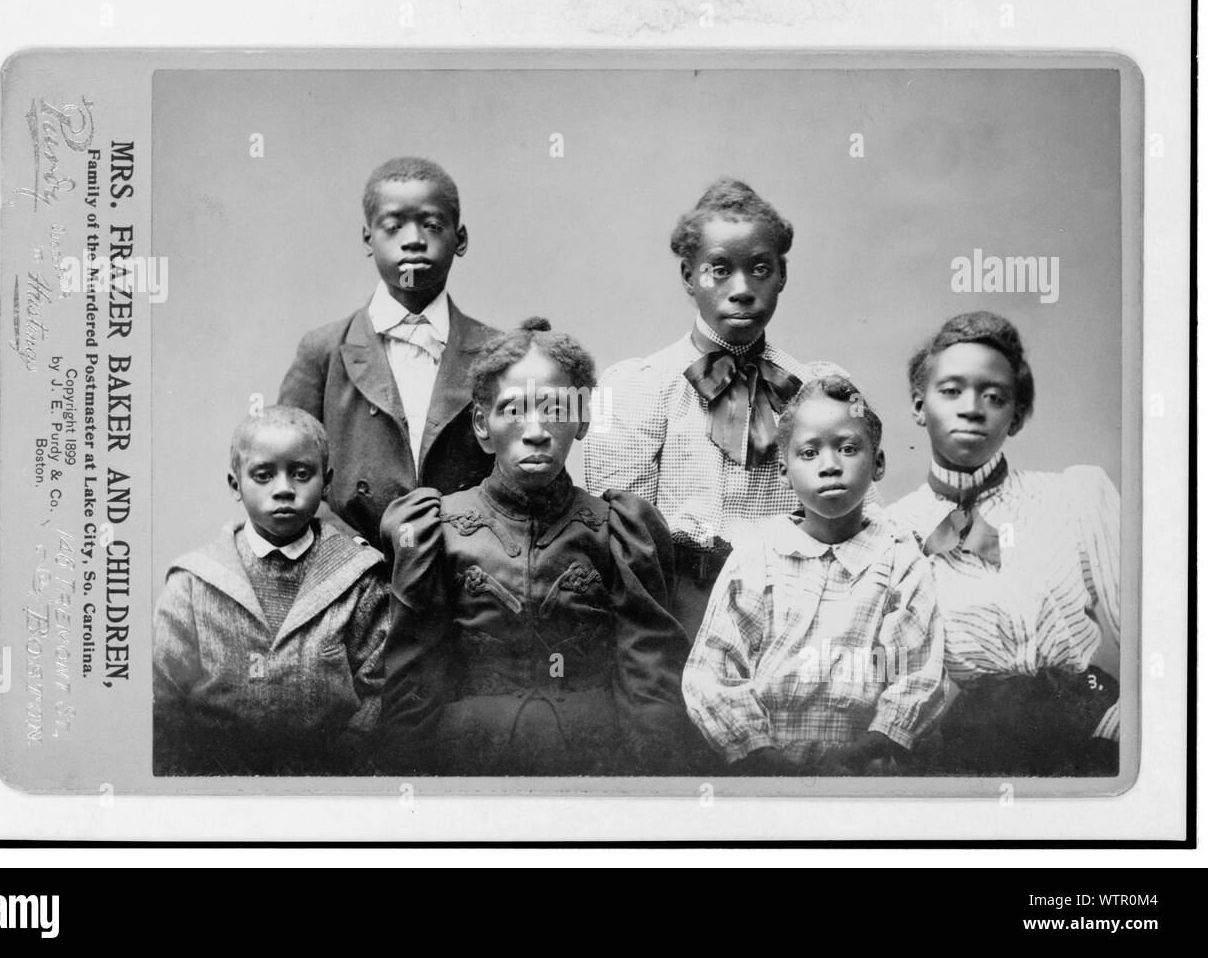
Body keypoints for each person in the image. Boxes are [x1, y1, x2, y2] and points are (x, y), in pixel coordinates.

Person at [379, 318, 695, 775]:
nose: (536, 430)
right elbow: (414, 679)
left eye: (555, 408)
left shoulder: (619, 530)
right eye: (513, 410)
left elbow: (649, 683)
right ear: (481, 424)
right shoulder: (435, 527)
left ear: (583, 420)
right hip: (469, 765)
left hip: (593, 765)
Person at [584, 176, 861, 641]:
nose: (742, 288)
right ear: (689, 277)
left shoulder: (815, 391)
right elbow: (624, 534)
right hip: (677, 609)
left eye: (759, 269)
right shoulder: (641, 388)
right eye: (719, 270)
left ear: (782, 276)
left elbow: (857, 514)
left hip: (798, 606)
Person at [888, 311, 1120, 776]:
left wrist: (1123, 729)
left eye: (994, 396)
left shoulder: (1073, 497)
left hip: (1095, 722)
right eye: (951, 391)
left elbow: (1157, 633)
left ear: (1015, 417)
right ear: (919, 406)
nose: (972, 407)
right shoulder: (895, 532)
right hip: (981, 743)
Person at [683, 376, 945, 775]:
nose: (830, 466)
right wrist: (764, 758)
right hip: (763, 766)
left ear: (878, 464)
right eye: (809, 453)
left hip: (867, 767)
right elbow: (713, 672)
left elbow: (918, 674)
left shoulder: (900, 560)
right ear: (785, 471)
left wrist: (860, 754)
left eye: (848, 448)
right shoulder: (757, 555)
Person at [152, 406, 391, 775]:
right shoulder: (192, 583)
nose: (283, 489)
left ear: (326, 482)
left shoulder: (359, 576)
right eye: (263, 475)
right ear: (236, 484)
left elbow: (379, 691)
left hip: (330, 781)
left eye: (301, 474)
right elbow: (164, 704)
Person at [279, 156, 500, 549]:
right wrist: (351, 554)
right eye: (394, 226)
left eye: (431, 225)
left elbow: (522, 472)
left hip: (468, 577)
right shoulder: (323, 351)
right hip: (351, 577)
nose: (413, 238)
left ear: (460, 238)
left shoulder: (499, 355)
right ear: (369, 238)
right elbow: (288, 472)